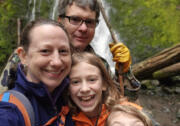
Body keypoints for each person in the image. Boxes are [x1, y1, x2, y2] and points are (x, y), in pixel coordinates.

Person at [0, 0, 140, 96]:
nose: (83, 28)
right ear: (60, 21)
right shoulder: (29, 56)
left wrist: (125, 71)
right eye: (75, 19)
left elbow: (122, 106)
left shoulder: (99, 65)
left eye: (89, 22)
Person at [0, 19, 79, 126]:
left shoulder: (73, 99)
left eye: (63, 51)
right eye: (45, 51)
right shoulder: (8, 111)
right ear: (23, 56)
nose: (57, 62)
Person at [67, 52, 121, 126]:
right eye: (75, 82)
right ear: (67, 89)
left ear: (104, 84)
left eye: (92, 80)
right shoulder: (62, 121)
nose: (84, 89)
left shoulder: (124, 114)